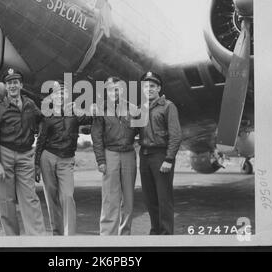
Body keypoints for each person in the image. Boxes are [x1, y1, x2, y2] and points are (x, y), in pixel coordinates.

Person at [0, 67, 46, 236]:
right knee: (6, 201)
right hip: (4, 155)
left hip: (26, 154)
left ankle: (37, 239)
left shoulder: (29, 104)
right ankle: (12, 239)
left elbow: (42, 120)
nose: (12, 86)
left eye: (15, 82)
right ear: (5, 87)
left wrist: (40, 135)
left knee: (30, 198)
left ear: (21, 85)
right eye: (9, 83)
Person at [35, 80, 92, 236]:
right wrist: (36, 165)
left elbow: (91, 119)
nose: (60, 95)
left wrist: (83, 109)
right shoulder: (47, 116)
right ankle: (56, 232)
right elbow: (40, 140)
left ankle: (70, 236)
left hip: (66, 159)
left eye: (63, 93)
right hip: (47, 157)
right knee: (51, 197)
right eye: (57, 93)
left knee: (67, 196)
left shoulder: (75, 114)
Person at [91, 76, 138, 235]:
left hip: (129, 154)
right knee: (110, 198)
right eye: (111, 89)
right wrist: (100, 160)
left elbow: (142, 131)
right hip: (110, 153)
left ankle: (125, 235)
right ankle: (107, 236)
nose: (114, 92)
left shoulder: (133, 109)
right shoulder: (100, 109)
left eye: (117, 89)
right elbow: (96, 137)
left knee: (129, 199)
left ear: (123, 90)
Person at [138, 71, 182, 235]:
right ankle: (155, 231)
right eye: (145, 86)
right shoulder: (140, 108)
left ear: (159, 88)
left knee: (164, 198)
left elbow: (176, 135)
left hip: (161, 156)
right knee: (150, 199)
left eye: (152, 86)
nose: (148, 89)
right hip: (144, 156)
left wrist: (169, 159)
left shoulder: (168, 106)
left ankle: (166, 235)